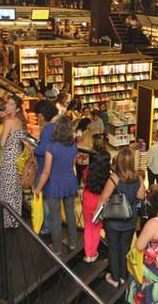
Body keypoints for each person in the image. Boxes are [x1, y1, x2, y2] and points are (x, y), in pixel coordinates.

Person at [97, 147, 146, 287]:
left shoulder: (114, 178)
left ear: (118, 161)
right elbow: (140, 198)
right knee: (124, 248)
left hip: (113, 221)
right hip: (130, 221)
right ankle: (124, 276)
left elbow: (103, 199)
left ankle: (115, 277)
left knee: (113, 248)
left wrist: (97, 214)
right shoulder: (139, 178)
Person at [34, 116, 79, 256]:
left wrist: (38, 188)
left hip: (54, 184)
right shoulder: (73, 145)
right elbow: (73, 167)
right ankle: (72, 242)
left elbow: (46, 172)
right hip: (70, 182)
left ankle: (57, 249)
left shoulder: (51, 147)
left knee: (55, 218)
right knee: (70, 213)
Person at [0, 95, 27, 229]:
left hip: (9, 157)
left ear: (16, 108)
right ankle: (16, 219)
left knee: (7, 190)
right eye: (7, 103)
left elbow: (2, 143)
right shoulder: (20, 121)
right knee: (15, 189)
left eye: (11, 105)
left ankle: (9, 221)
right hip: (18, 156)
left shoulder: (8, 121)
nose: (7, 106)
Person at [33, 100, 58, 237]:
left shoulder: (47, 129)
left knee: (45, 199)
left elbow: (44, 149)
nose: (38, 118)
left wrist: (35, 148)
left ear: (43, 115)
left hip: (44, 169)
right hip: (53, 168)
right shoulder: (55, 126)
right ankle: (51, 225)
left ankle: (48, 226)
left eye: (39, 115)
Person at [82, 150, 110, 263]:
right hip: (100, 204)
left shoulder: (88, 171)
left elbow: (84, 182)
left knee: (88, 227)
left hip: (88, 200)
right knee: (97, 228)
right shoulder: (108, 175)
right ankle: (94, 252)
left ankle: (88, 254)